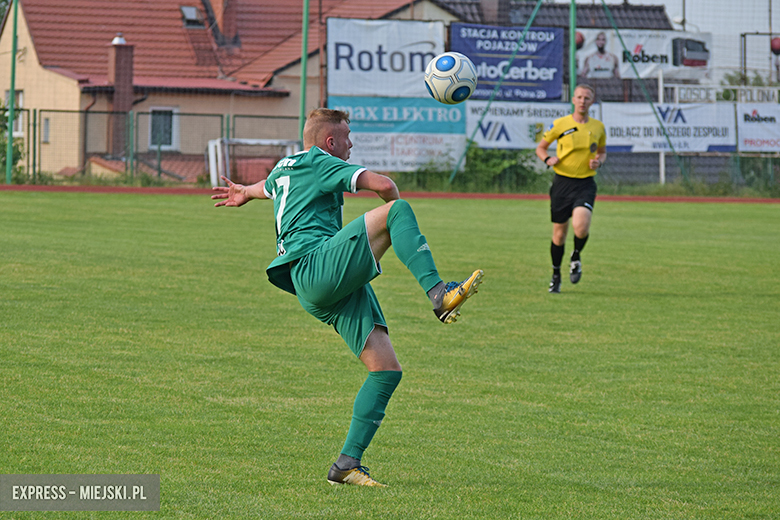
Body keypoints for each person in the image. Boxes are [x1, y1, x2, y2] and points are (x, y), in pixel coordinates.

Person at [211, 108, 483, 487]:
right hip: (317, 267)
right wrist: (394, 218)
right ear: (330, 142)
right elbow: (383, 185)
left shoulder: (285, 166)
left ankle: (346, 465)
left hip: (313, 286)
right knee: (398, 210)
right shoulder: (321, 161)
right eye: (347, 138)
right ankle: (440, 293)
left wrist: (244, 192)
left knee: (385, 371)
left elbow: (265, 188)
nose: (351, 144)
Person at [535, 84, 606, 294]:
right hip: (562, 184)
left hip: (585, 183)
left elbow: (602, 152)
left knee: (581, 227)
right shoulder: (560, 124)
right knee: (559, 235)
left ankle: (575, 256)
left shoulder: (598, 127)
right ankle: (556, 274)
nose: (583, 101)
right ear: (573, 100)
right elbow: (541, 148)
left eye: (587, 98)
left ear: (592, 101)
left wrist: (599, 161)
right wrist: (548, 159)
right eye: (579, 97)